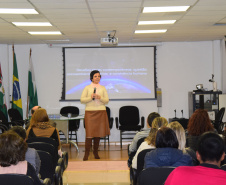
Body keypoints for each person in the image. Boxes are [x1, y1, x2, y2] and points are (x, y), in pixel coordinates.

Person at [80, 70, 110, 161]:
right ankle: (86, 154)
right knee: (89, 134)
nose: (97, 78)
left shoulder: (103, 88)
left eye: (98, 76)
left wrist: (100, 98)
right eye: (95, 76)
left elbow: (107, 100)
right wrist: (90, 97)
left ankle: (96, 152)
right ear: (91, 78)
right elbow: (82, 100)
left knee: (98, 134)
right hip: (90, 112)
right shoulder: (87, 88)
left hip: (101, 111)